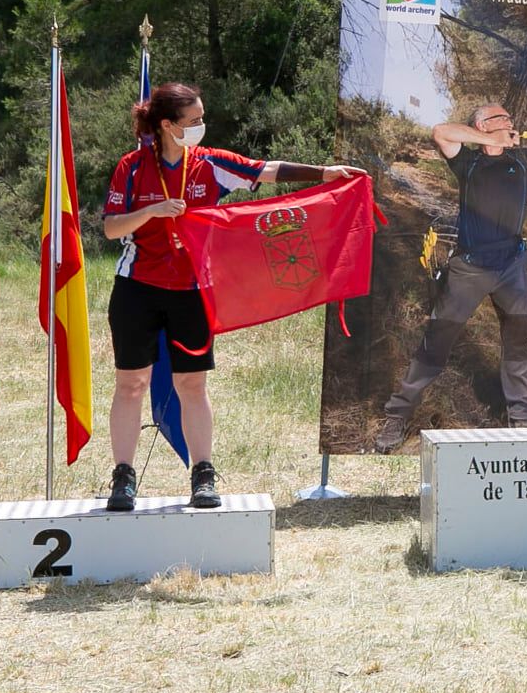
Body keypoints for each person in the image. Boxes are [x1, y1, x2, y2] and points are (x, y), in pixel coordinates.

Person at [100, 81, 358, 510]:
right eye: (194, 121)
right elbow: (111, 228)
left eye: (202, 119)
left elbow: (265, 169)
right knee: (131, 384)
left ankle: (203, 474)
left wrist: (324, 173)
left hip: (193, 290)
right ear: (167, 125)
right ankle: (123, 477)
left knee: (192, 384)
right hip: (137, 288)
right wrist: (151, 212)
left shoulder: (209, 163)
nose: (201, 126)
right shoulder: (131, 166)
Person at [373, 104, 527, 451]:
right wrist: (490, 138)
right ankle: (397, 415)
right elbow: (440, 132)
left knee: (519, 340)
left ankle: (522, 417)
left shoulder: (525, 160)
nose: (510, 121)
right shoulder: (467, 162)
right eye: (502, 118)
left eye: (509, 117)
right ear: (482, 125)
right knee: (437, 340)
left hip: (512, 267)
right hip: (469, 268)